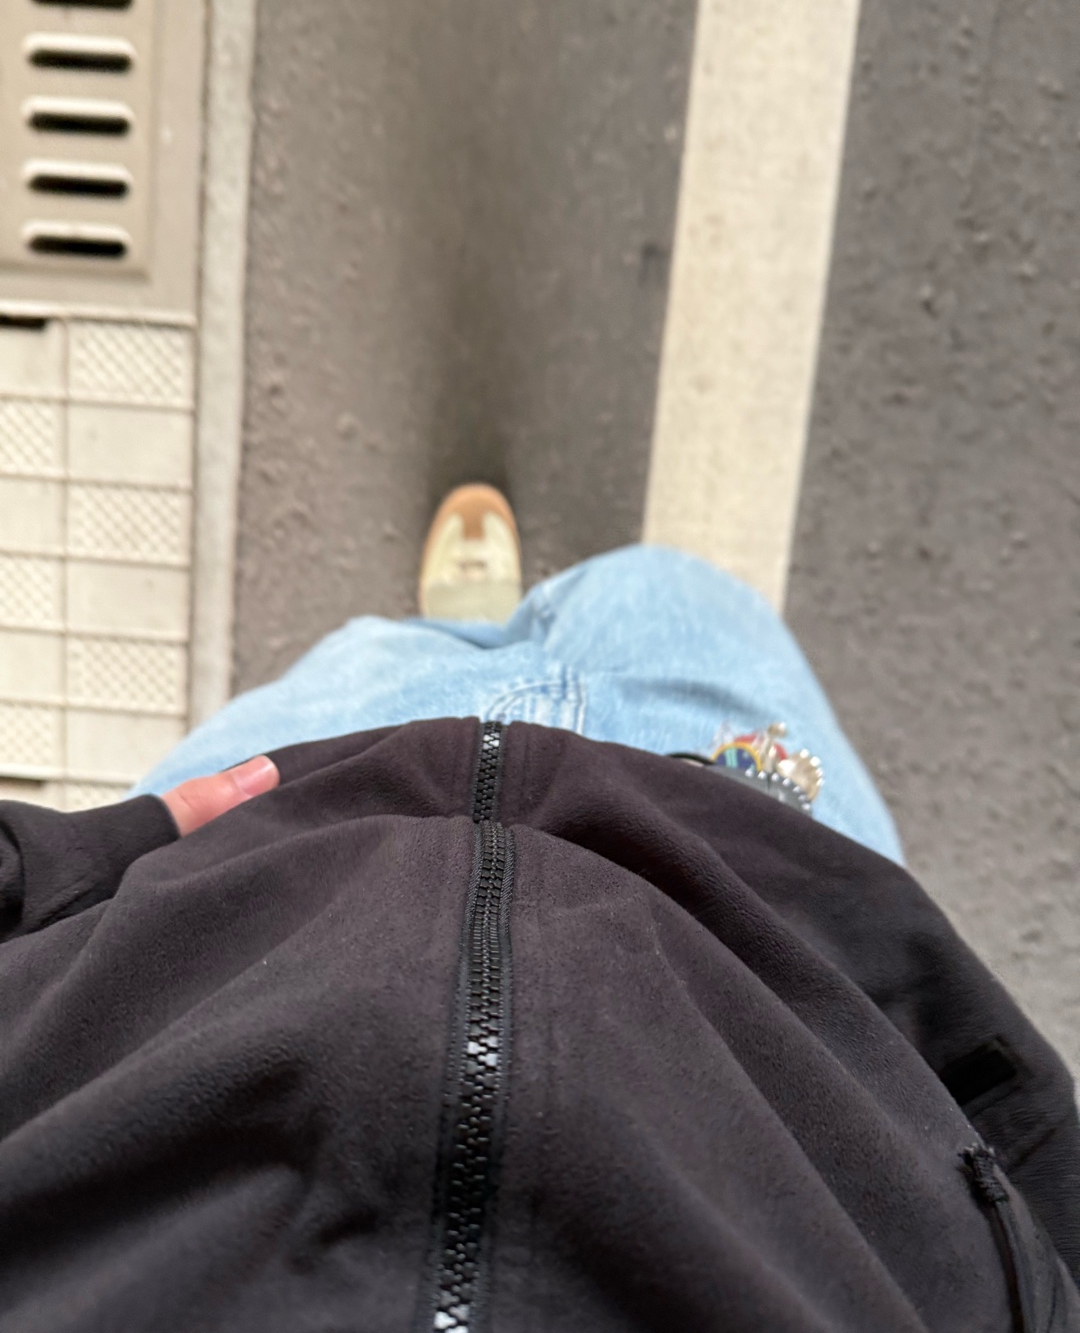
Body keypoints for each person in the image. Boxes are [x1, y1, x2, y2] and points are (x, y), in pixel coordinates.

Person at [0, 484, 1077, 1332]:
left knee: (376, 652)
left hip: (260, 833)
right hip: (763, 898)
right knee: (668, 595)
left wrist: (74, 863)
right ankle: (478, 636)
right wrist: (999, 1122)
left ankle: (460, 632)